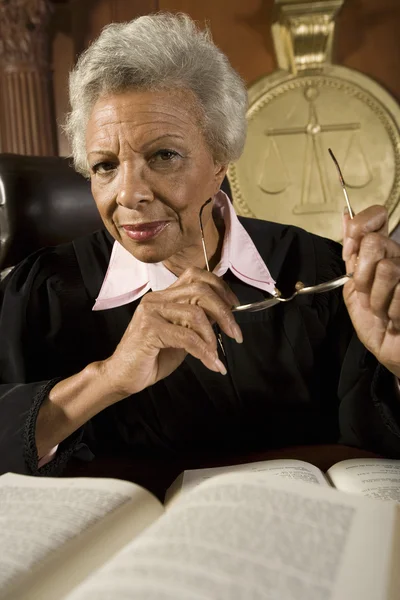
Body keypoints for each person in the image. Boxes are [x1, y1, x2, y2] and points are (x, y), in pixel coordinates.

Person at [0, 13, 399, 477]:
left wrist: (396, 365)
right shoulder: (38, 294)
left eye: (163, 155)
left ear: (221, 161)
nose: (129, 194)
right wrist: (108, 378)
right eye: (105, 165)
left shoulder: (321, 271)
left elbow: (376, 456)